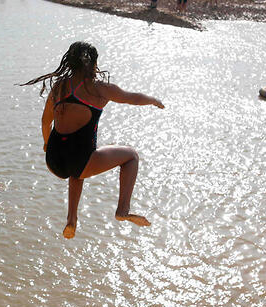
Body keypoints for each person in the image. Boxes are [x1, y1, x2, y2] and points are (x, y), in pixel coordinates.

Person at [21, 42, 164, 238]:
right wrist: (153, 100)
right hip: (80, 161)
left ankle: (71, 219)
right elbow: (133, 98)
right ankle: (123, 210)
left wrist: (47, 144)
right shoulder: (100, 89)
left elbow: (45, 122)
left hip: (54, 161)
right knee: (131, 156)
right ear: (94, 63)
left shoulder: (59, 88)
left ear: (70, 62)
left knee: (76, 171)